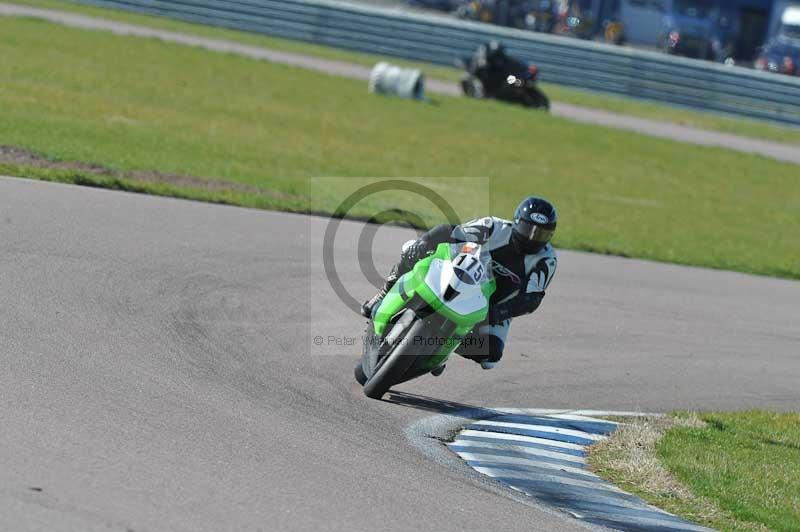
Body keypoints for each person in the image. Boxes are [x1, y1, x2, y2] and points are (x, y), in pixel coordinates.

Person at [361, 196, 558, 371]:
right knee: (411, 251)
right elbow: (451, 232)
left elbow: (531, 299)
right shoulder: (493, 226)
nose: (531, 237)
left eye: (539, 234)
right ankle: (383, 293)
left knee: (491, 354)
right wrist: (424, 242)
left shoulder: (546, 259)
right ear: (516, 222)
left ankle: (443, 350)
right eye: (527, 229)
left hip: (495, 306)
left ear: (549, 236)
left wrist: (499, 313)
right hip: (461, 276)